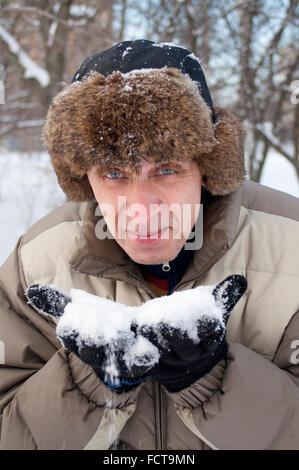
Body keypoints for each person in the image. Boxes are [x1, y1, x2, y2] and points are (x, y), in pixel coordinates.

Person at [0, 39, 298, 450]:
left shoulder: (292, 245)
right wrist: (89, 384)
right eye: (114, 173)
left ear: (207, 168)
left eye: (166, 168)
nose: (140, 208)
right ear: (85, 178)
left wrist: (213, 378)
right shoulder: (34, 262)